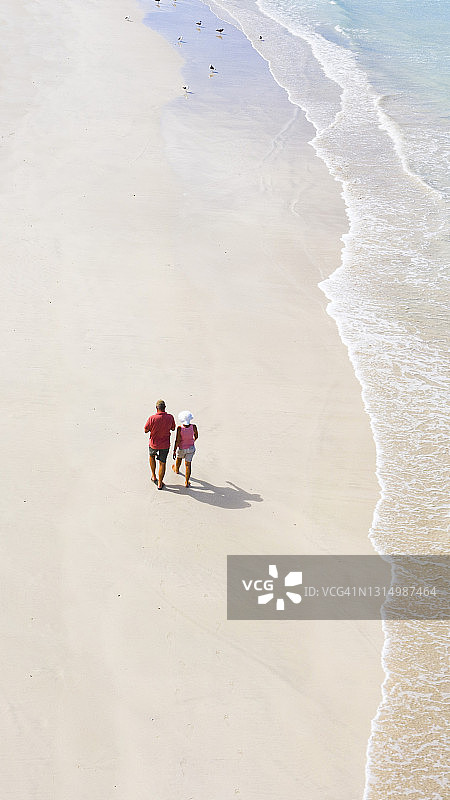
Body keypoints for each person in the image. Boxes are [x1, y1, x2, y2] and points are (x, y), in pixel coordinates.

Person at [144, 400, 175, 489]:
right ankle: (160, 483)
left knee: (152, 457)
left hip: (154, 443)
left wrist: (153, 429)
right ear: (165, 407)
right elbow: (173, 428)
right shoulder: (170, 417)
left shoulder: (152, 418)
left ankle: (153, 476)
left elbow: (145, 430)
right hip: (165, 444)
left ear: (156, 408)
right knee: (162, 463)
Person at [172, 410, 198, 487]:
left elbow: (177, 440)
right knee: (188, 465)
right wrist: (192, 441)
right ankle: (187, 481)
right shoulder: (194, 427)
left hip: (182, 448)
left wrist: (174, 450)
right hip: (191, 448)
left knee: (179, 459)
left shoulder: (180, 428)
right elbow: (196, 436)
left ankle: (176, 469)